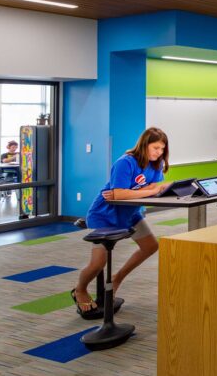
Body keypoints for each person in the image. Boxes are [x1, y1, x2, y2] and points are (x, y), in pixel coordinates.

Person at [71, 127, 170, 315]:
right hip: (105, 214)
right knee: (98, 264)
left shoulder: (155, 165)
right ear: (144, 145)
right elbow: (119, 193)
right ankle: (80, 289)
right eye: (156, 148)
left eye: (162, 149)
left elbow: (145, 188)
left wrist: (134, 192)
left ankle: (117, 278)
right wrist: (143, 192)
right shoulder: (126, 162)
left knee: (150, 246)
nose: (159, 153)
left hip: (130, 213)